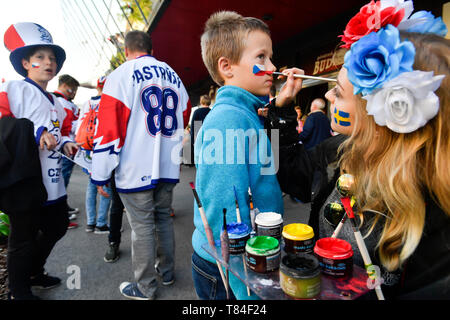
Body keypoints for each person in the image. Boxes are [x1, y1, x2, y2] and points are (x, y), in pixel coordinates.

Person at [272, 1, 449, 299]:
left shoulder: (438, 227)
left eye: (339, 91)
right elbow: (292, 177)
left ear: (380, 115)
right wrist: (284, 112)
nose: (327, 94)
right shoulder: (338, 152)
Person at [192, 11, 301, 300]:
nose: (273, 67)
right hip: (228, 274)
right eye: (261, 57)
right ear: (227, 67)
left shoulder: (246, 114)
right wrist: (246, 289)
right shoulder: (228, 119)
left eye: (270, 57)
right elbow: (222, 216)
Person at [91, 30, 192, 300]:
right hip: (167, 166)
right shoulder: (174, 75)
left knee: (142, 227)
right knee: (162, 220)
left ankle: (145, 287)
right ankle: (167, 273)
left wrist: (100, 174)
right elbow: (184, 115)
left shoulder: (120, 75)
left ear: (126, 50)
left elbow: (109, 130)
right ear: (150, 47)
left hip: (135, 168)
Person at [0, 22, 79, 299]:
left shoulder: (55, 101)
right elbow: (2, 124)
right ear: (25, 62)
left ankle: (34, 271)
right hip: (25, 181)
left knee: (57, 226)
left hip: (53, 181)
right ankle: (17, 291)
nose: (48, 62)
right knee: (21, 239)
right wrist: (36, 132)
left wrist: (67, 141)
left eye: (52, 58)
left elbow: (62, 131)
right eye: (41, 57)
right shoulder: (12, 89)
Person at [77, 76, 112, 234]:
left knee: (91, 186)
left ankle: (90, 223)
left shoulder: (87, 103)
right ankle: (101, 223)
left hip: (87, 149)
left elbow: (79, 128)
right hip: (102, 148)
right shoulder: (109, 102)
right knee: (106, 185)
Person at [54, 74, 80, 229]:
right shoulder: (60, 102)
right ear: (65, 85)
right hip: (63, 147)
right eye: (73, 89)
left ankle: (63, 208)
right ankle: (60, 215)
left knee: (63, 180)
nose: (74, 92)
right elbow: (67, 127)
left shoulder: (64, 102)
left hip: (66, 145)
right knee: (61, 180)